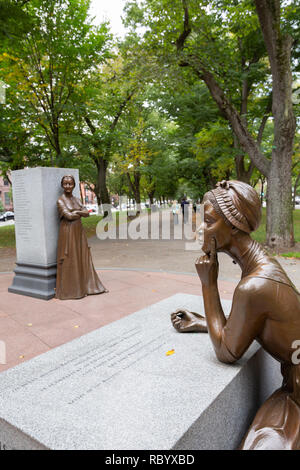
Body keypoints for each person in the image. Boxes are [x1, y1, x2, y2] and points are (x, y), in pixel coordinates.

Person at [171, 180, 300, 450]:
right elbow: (246, 325)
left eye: (208, 221)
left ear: (233, 226)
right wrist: (205, 322)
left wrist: (208, 285)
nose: (201, 229)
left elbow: (227, 351)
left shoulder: (254, 286)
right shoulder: (262, 265)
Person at [56, 175, 108, 300]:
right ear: (62, 185)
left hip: (78, 230)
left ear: (74, 185)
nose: (68, 186)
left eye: (70, 184)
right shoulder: (60, 200)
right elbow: (68, 216)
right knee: (70, 257)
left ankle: (85, 286)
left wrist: (77, 212)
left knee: (81, 255)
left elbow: (86, 213)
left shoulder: (77, 199)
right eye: (65, 184)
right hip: (68, 231)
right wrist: (79, 213)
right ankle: (72, 290)